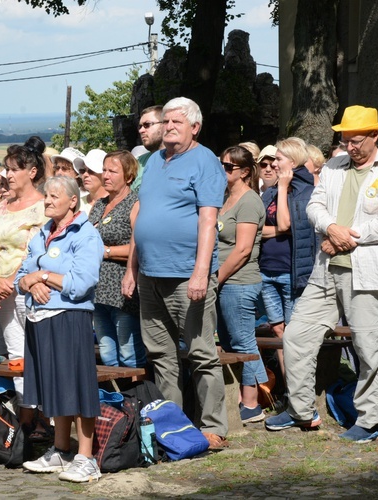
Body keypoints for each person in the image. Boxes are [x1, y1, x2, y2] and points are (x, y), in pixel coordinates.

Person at [265, 105, 378, 443]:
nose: (350, 147)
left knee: (368, 346)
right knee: (296, 336)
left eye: (357, 140)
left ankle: (371, 421)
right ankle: (302, 411)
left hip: (368, 272)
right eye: (346, 140)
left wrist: (347, 237)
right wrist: (332, 228)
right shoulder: (333, 165)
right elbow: (315, 207)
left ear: (375, 136)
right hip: (325, 269)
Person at [122, 96, 229, 448]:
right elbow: (142, 216)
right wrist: (132, 268)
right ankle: (173, 425)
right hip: (150, 274)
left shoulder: (205, 161)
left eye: (176, 122)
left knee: (200, 353)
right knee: (160, 355)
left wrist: (201, 273)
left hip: (186, 275)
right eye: (165, 121)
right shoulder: (153, 161)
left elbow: (208, 220)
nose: (168, 127)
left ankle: (213, 426)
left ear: (194, 127)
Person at [18, 176, 104, 483]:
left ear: (72, 201)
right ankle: (60, 449)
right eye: (46, 196)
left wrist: (41, 276)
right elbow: (22, 275)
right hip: (39, 316)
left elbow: (81, 283)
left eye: (55, 196)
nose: (48, 200)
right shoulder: (42, 233)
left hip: (70, 316)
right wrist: (31, 281)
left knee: (77, 386)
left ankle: (87, 457)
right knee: (55, 387)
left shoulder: (86, 234)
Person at [0, 137, 47, 425]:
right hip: (2, 290)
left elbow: (35, 249)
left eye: (13, 169)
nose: (7, 175)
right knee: (16, 355)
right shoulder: (4, 205)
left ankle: (49, 419)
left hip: (29, 290)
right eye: (6, 169)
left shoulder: (43, 207)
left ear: (31, 172)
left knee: (39, 353)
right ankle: (26, 418)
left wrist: (9, 281)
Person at [215, 146, 268, 424]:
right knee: (227, 343)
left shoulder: (249, 201)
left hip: (239, 281)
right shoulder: (226, 198)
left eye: (228, 167)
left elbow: (243, 249)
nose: (222, 170)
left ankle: (252, 403)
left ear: (245, 172)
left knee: (243, 342)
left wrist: (215, 278)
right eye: (220, 164)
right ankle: (237, 399)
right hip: (225, 281)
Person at [259, 137, 316, 382]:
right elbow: (255, 228)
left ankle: (299, 391)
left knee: (293, 334)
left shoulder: (303, 191)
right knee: (278, 330)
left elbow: (284, 222)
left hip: (290, 271)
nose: (273, 164)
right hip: (266, 268)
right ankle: (287, 387)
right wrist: (281, 230)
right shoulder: (269, 192)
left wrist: (283, 188)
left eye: (278, 159)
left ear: (292, 163)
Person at [88, 151, 145, 368]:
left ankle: (138, 398)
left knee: (129, 353)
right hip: (98, 290)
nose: (106, 175)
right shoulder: (99, 204)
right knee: (107, 354)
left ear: (129, 176)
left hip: (123, 289)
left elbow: (139, 243)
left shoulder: (135, 203)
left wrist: (106, 252)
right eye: (104, 170)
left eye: (113, 171)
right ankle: (115, 400)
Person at [131, 105, 164, 192]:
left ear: (164, 125)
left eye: (147, 125)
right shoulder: (137, 164)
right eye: (140, 126)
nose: (141, 130)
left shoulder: (183, 161)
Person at [73, 149, 108, 214]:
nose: (85, 175)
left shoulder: (114, 203)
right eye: (83, 170)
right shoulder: (77, 204)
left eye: (91, 171)